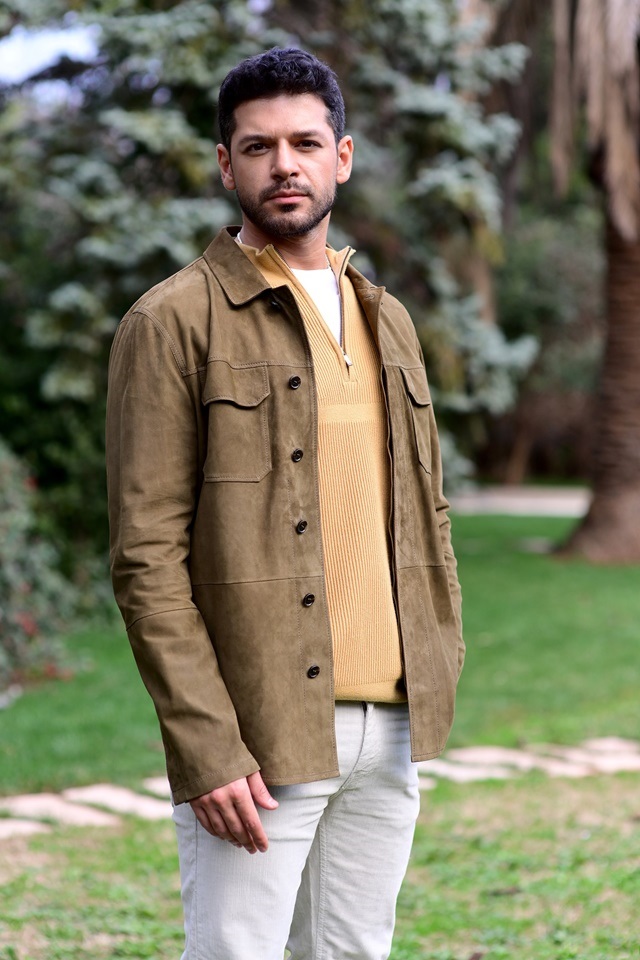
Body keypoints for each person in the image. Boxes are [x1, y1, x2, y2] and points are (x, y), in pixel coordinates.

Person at [106, 46, 464, 960]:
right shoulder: (171, 322)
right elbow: (146, 559)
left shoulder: (388, 319)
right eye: (258, 147)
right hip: (259, 736)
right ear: (226, 166)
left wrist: (440, 659)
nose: (284, 165)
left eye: (305, 143)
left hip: (390, 730)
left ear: (342, 156)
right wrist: (207, 743)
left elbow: (427, 513)